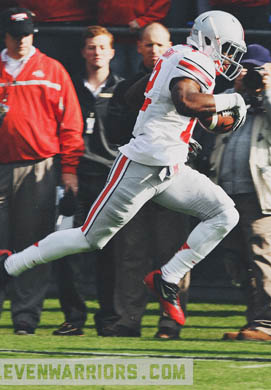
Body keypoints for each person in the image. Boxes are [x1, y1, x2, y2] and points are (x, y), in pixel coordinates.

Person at [0, 10, 248, 329]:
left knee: (225, 214)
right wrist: (230, 102)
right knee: (88, 238)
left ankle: (167, 278)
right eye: (228, 48)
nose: (230, 57)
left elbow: (133, 96)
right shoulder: (195, 60)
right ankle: (7, 265)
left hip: (169, 166)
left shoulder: (176, 53)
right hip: (142, 165)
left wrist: (173, 132)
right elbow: (186, 102)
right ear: (209, 40)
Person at [0, 7, 83, 335]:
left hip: (39, 168)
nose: (22, 41)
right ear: (3, 35)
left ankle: (26, 316)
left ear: (34, 34)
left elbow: (71, 125)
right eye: (16, 35)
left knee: (32, 245)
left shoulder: (53, 70)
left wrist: (69, 171)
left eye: (27, 34)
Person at [210, 44, 271, 341]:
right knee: (238, 262)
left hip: (265, 192)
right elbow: (212, 126)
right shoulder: (235, 97)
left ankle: (269, 325)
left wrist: (266, 93)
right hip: (228, 191)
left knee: (264, 259)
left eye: (259, 69)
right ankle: (254, 322)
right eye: (247, 69)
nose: (253, 74)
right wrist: (238, 93)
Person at [103, 22, 192, 340]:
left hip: (172, 181)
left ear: (171, 47)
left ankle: (170, 322)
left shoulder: (188, 85)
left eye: (160, 45)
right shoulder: (129, 87)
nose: (154, 51)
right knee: (131, 252)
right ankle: (128, 319)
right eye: (148, 45)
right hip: (136, 181)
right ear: (138, 48)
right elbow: (114, 133)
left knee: (173, 253)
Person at [51, 25, 123, 337]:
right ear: (83, 52)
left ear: (112, 52)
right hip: (73, 178)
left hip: (109, 180)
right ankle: (73, 317)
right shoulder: (68, 87)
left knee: (109, 253)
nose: (96, 52)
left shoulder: (123, 90)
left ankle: (108, 318)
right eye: (91, 47)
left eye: (102, 47)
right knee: (66, 250)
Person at [97, 0, 171, 78]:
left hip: (144, 37)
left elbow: (161, 4)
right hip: (112, 35)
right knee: (113, 80)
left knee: (143, 78)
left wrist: (143, 21)